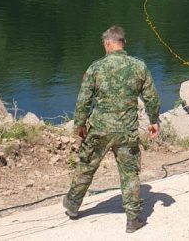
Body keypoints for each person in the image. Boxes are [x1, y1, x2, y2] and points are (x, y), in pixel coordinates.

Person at [64, 26, 160, 233]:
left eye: (104, 45)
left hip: (100, 129)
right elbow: (152, 97)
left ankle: (72, 205)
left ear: (108, 43)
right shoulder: (139, 66)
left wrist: (79, 126)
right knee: (129, 174)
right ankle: (133, 219)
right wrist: (154, 121)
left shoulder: (95, 68)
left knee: (87, 166)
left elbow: (83, 101)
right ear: (122, 43)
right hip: (127, 131)